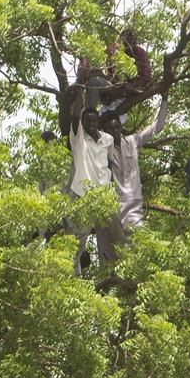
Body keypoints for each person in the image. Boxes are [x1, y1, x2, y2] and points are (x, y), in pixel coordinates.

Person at [64, 108, 122, 274]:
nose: (91, 124)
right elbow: (75, 118)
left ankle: (125, 271)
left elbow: (108, 162)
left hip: (104, 195)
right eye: (87, 121)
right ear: (83, 122)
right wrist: (76, 102)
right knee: (78, 239)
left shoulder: (108, 139)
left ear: (98, 122)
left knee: (118, 235)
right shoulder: (79, 139)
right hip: (85, 195)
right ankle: (70, 276)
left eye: (93, 120)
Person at [105, 91, 169, 241]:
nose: (115, 131)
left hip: (133, 204)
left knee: (137, 241)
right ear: (105, 131)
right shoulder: (103, 149)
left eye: (117, 127)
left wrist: (165, 99)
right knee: (117, 247)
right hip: (114, 206)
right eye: (111, 128)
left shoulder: (132, 142)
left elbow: (156, 127)